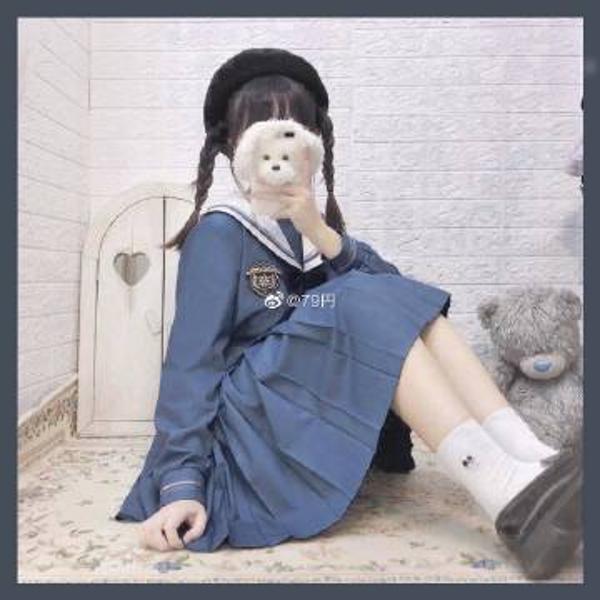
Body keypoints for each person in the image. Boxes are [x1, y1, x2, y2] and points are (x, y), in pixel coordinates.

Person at [114, 48, 582, 580]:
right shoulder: (221, 233)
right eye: (262, 134)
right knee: (357, 296)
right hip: (244, 431)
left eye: (295, 133)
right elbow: (190, 365)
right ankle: (504, 489)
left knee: (383, 295)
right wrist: (182, 483)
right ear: (234, 149)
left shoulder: (309, 230)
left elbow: (400, 296)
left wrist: (321, 232)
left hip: (291, 409)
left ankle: (531, 457)